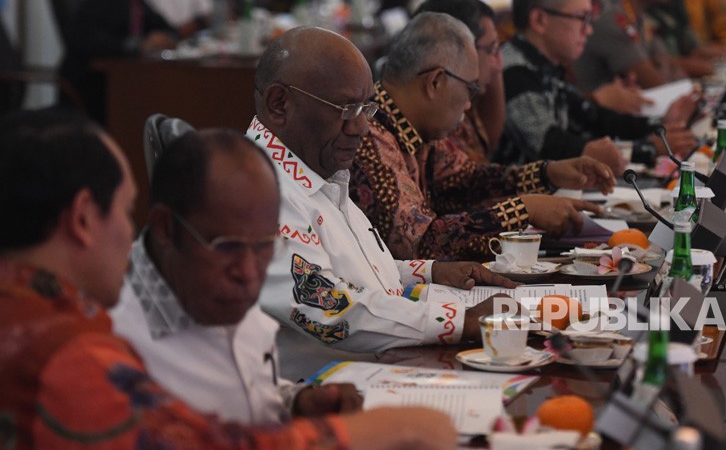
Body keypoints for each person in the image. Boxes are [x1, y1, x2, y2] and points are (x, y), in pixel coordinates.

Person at [0, 107, 456, 449]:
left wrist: (290, 404)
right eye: (123, 210)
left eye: (264, 248)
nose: (248, 272)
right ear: (82, 218)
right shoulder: (63, 347)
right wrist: (383, 429)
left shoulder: (49, 309)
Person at [248, 27, 519, 375]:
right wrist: (459, 320)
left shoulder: (314, 170)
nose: (361, 127)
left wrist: (430, 271)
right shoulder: (256, 191)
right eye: (346, 108)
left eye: (366, 108)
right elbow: (328, 308)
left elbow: (355, 274)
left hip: (378, 372)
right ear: (279, 103)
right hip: (320, 395)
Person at [111, 129, 364, 424]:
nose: (247, 272)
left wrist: (296, 402)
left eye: (264, 245)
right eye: (226, 246)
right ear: (165, 228)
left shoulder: (217, 290)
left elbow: (241, 391)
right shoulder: (110, 336)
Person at [350, 11, 614, 261]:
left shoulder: (414, 128)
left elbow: (466, 182)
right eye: (470, 89)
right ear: (435, 82)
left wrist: (548, 174)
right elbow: (422, 246)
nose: (469, 105)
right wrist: (522, 210)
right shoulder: (369, 136)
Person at [494, 0, 698, 175]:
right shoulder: (514, 71)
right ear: (540, 20)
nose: (589, 30)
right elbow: (551, 147)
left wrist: (660, 124)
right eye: (582, 17)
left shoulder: (544, 65)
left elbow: (592, 118)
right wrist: (647, 149)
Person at [59, 0, 177, 125]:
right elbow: (86, 40)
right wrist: (139, 45)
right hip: (93, 90)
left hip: (117, 86)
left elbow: (166, 28)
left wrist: (163, 37)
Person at [552, 0, 653, 116]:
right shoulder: (520, 68)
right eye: (586, 6)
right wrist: (597, 101)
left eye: (597, 4)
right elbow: (546, 133)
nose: (590, 25)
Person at [413, 0, 505, 162]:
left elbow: (487, 146)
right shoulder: (436, 118)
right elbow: (473, 181)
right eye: (492, 49)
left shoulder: (463, 92)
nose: (499, 63)